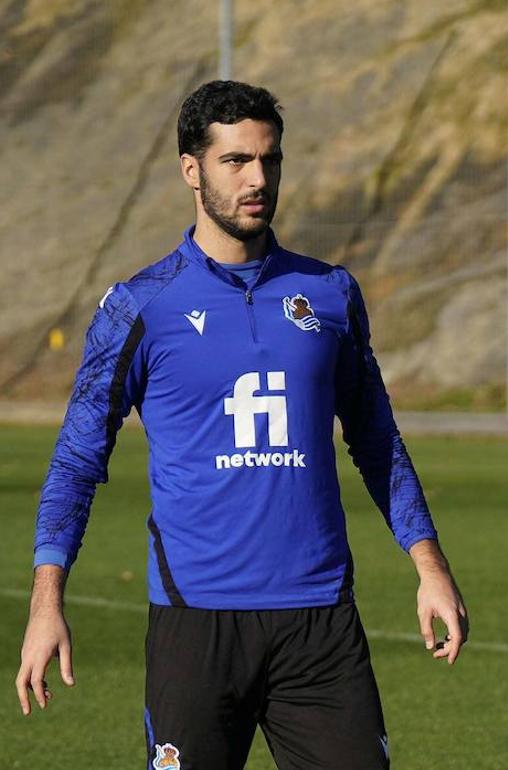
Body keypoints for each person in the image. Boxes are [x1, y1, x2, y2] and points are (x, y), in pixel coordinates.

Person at [14, 80, 469, 769]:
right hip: (196, 626)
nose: (258, 178)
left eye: (270, 159)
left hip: (320, 621)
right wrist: (47, 599)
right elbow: (77, 460)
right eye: (236, 161)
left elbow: (377, 441)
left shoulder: (330, 294)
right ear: (191, 170)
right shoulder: (140, 307)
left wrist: (428, 564)